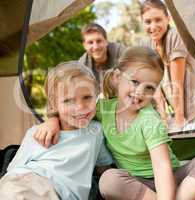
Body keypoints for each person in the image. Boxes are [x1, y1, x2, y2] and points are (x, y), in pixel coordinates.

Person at [34, 46, 195, 200]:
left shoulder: (149, 120)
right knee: (108, 180)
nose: (140, 92)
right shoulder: (103, 109)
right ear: (117, 78)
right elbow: (75, 114)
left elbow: (161, 167)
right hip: (137, 185)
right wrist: (52, 120)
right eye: (134, 82)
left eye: (149, 87)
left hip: (171, 176)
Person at [0, 61, 113, 200]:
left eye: (87, 97)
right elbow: (13, 169)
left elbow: (104, 166)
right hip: (26, 181)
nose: (80, 106)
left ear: (96, 95)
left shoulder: (96, 130)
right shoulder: (38, 133)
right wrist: (52, 120)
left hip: (61, 192)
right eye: (68, 101)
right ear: (54, 104)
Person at [140, 0, 195, 130]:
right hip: (178, 110)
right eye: (148, 21)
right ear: (142, 22)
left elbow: (177, 83)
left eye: (158, 20)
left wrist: (179, 120)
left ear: (168, 19)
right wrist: (163, 117)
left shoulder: (174, 36)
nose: (153, 26)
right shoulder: (148, 46)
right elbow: (155, 86)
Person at [79, 23, 125, 94]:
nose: (95, 47)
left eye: (99, 41)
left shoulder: (120, 51)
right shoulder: (82, 65)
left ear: (106, 41)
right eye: (90, 42)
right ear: (85, 46)